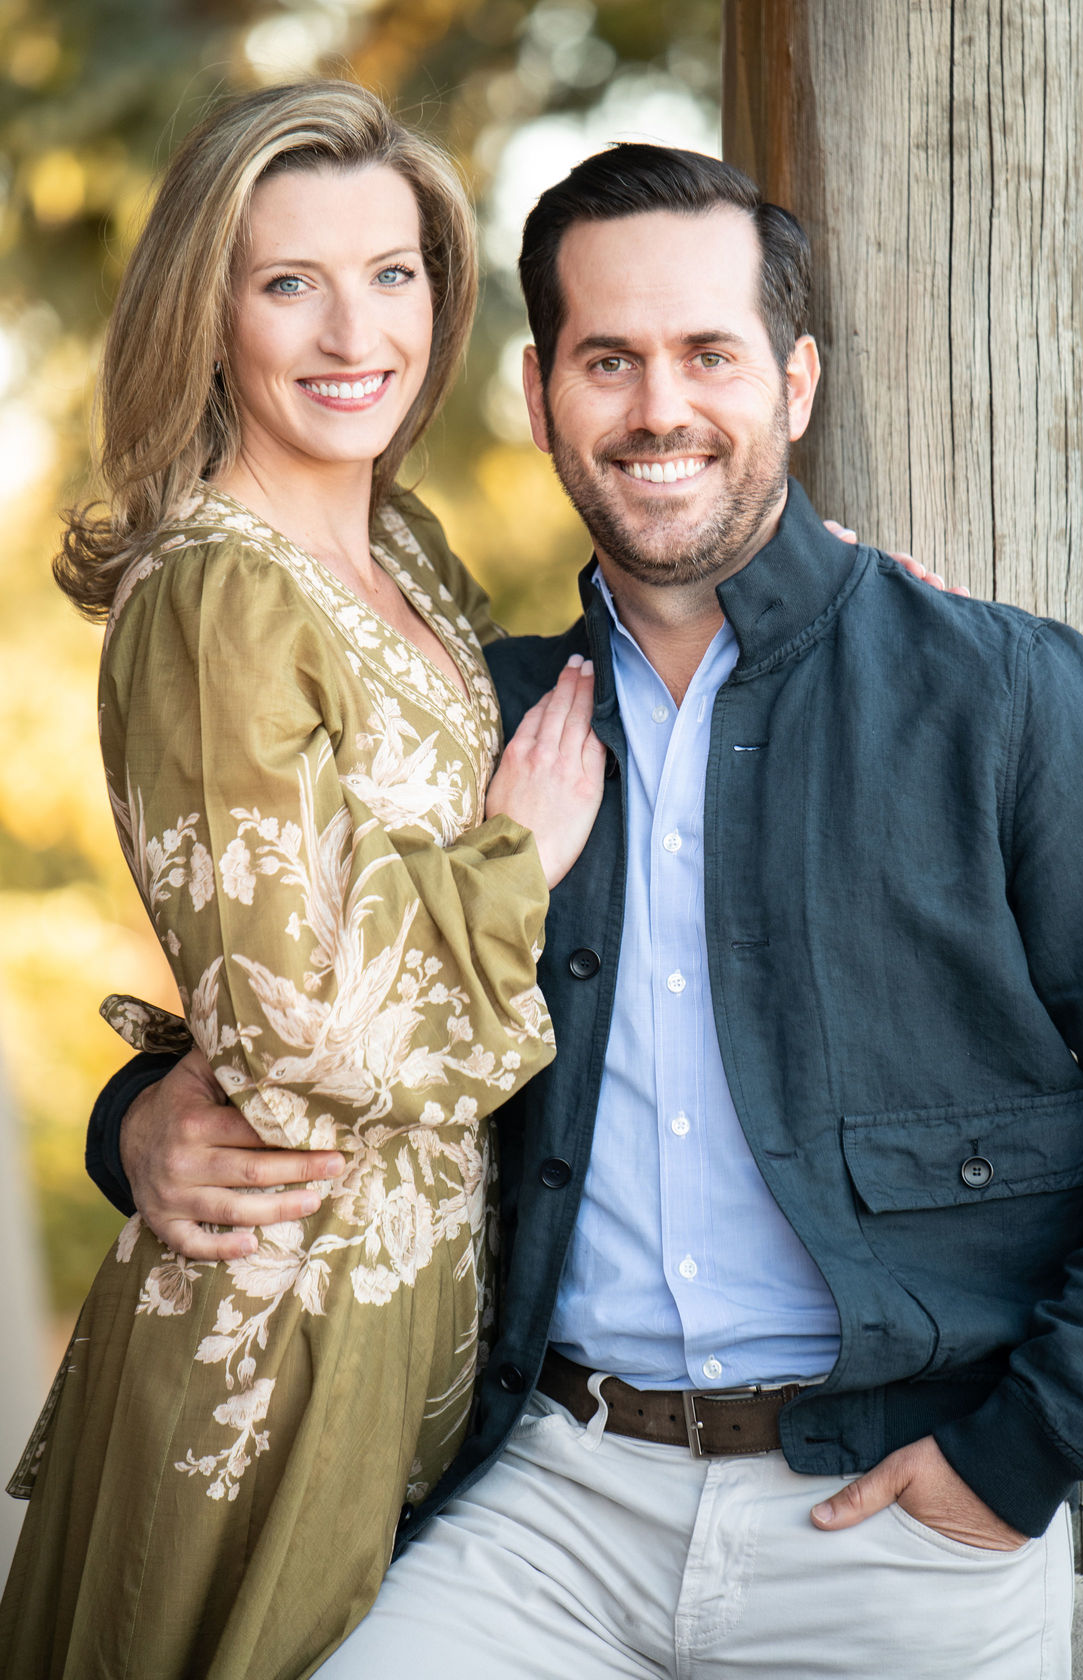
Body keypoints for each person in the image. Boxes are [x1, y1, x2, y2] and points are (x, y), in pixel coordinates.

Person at [87, 144, 1083, 1678]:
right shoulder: (491, 722)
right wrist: (138, 1121)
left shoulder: (998, 697)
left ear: (795, 383)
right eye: (609, 360)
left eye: (709, 355)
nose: (660, 408)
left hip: (894, 1515)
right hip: (546, 1501)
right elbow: (303, 977)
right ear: (540, 395)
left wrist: (1024, 1458)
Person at [0, 81, 607, 1680]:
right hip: (274, 1337)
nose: (356, 333)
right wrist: (517, 864)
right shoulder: (217, 595)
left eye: (392, 274)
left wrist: (848, 601)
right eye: (290, 283)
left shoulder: (405, 556)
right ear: (209, 316)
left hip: (425, 1320)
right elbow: (301, 1027)